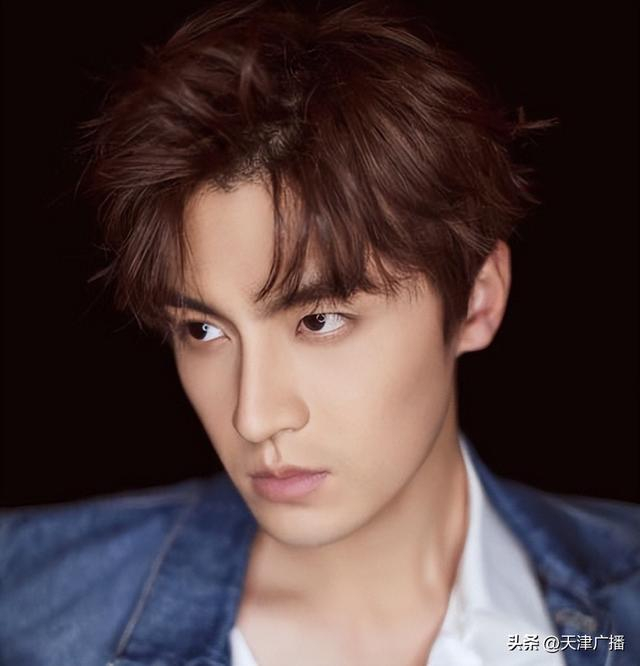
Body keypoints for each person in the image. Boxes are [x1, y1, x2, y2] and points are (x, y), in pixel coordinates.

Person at [1, 1, 638, 665]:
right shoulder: (25, 609)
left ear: (477, 303)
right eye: (203, 329)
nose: (254, 417)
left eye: (319, 320)